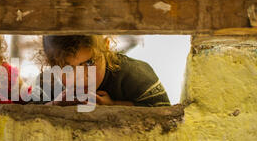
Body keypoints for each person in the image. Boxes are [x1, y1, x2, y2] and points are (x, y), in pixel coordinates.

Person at [31, 35, 171, 107]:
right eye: (67, 68)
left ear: (106, 46)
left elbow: (163, 110)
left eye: (89, 63)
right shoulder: (47, 83)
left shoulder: (135, 75)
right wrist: (54, 106)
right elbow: (26, 115)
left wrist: (115, 106)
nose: (80, 77)